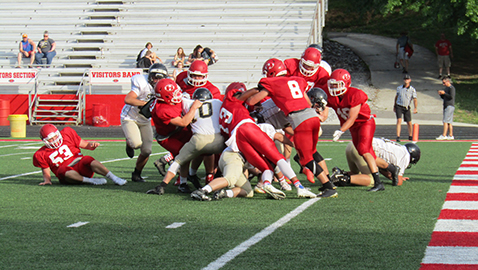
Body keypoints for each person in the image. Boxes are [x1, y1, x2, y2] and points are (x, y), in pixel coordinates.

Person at [247, 58, 336, 198]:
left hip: (300, 120)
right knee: (310, 153)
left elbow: (251, 101)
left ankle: (328, 186)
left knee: (305, 159)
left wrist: (256, 91)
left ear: (270, 73)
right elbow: (307, 101)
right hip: (312, 116)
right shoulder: (296, 80)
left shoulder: (272, 83)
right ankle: (326, 182)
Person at [219, 82, 316, 199]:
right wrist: (263, 88)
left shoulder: (224, 111)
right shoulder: (234, 101)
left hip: (237, 139)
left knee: (266, 167)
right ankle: (299, 187)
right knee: (278, 158)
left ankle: (267, 184)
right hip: (246, 127)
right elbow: (246, 96)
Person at [147, 87, 224, 195]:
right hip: (218, 141)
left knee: (179, 160)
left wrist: (193, 109)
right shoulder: (218, 102)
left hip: (198, 139)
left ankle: (163, 185)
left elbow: (185, 121)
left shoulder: (187, 103)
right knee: (227, 155)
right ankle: (220, 179)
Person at [326, 68, 385, 192]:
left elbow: (352, 118)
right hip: (354, 127)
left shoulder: (355, 94)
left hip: (365, 123)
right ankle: (391, 169)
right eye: (333, 84)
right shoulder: (332, 97)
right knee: (363, 150)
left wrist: (341, 130)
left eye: (338, 85)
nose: (335, 87)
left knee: (364, 150)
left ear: (346, 84)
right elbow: (324, 108)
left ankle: (378, 182)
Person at [146, 78, 202, 194]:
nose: (177, 95)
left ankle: (185, 177)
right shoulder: (162, 110)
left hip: (178, 130)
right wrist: (194, 107)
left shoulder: (167, 101)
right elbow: (183, 122)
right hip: (168, 136)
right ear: (164, 97)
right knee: (184, 155)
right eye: (173, 93)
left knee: (197, 147)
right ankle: (182, 183)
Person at [33, 124, 127, 186]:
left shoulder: (67, 134)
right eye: (50, 139)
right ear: (45, 140)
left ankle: (114, 178)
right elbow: (45, 170)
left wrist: (91, 145)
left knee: (87, 159)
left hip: (80, 165)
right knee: (62, 170)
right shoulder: (41, 154)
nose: (54, 140)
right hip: (68, 176)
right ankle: (91, 181)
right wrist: (47, 180)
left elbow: (85, 145)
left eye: (55, 136)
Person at [121, 63, 169, 182]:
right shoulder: (142, 83)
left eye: (160, 78)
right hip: (130, 117)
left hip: (145, 120)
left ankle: (137, 173)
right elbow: (128, 99)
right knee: (136, 144)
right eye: (155, 77)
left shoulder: (166, 86)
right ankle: (129, 143)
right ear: (150, 76)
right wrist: (146, 104)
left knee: (147, 151)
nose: (157, 81)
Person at [331, 138, 421, 187]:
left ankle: (340, 174)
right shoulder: (405, 156)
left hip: (352, 145)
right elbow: (398, 182)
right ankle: (342, 179)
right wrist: (398, 177)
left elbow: (382, 168)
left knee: (356, 174)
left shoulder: (399, 148)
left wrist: (394, 175)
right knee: (372, 179)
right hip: (363, 150)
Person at [393, 74, 417, 142]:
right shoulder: (399, 88)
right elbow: (396, 97)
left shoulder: (412, 89)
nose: (406, 80)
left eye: (407, 79)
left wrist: (415, 107)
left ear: (410, 80)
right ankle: (398, 136)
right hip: (399, 105)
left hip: (406, 107)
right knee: (399, 120)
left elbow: (415, 99)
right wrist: (394, 105)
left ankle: (410, 135)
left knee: (409, 122)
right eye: (405, 79)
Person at [436, 76, 455, 140]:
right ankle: (450, 135)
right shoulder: (446, 88)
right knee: (449, 121)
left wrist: (444, 93)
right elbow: (445, 98)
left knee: (445, 121)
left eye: (444, 83)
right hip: (446, 105)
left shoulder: (451, 88)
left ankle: (444, 135)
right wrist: (441, 94)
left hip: (450, 105)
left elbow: (451, 97)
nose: (443, 84)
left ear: (448, 81)